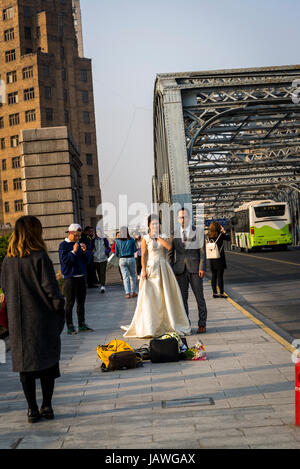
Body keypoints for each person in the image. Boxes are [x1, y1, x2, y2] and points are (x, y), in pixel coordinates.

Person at [0, 216, 65, 423]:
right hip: (42, 319)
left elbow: (5, 288)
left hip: (18, 322)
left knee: (25, 367)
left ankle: (32, 409)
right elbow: (51, 290)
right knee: (48, 364)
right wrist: (59, 308)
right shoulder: (40, 257)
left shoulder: (7, 261)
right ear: (34, 232)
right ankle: (47, 406)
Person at [123, 215, 191, 338]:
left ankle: (168, 323)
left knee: (165, 296)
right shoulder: (145, 238)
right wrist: (143, 270)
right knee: (151, 298)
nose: (155, 226)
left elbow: (169, 247)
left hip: (163, 268)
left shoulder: (163, 236)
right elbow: (143, 255)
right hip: (151, 268)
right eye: (152, 224)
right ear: (148, 225)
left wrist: (157, 237)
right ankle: (151, 326)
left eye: (157, 223)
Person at [169, 208, 208, 334]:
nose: (182, 219)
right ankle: (186, 324)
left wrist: (202, 267)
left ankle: (202, 324)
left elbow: (202, 251)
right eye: (180, 217)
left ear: (189, 218)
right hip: (180, 270)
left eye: (185, 217)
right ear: (177, 219)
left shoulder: (198, 231)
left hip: (195, 269)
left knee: (199, 298)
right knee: (182, 299)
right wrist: (171, 270)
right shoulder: (174, 233)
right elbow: (170, 253)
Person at [59, 223, 94, 335]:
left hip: (81, 277)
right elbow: (65, 262)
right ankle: (70, 326)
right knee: (69, 303)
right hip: (70, 278)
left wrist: (85, 252)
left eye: (79, 236)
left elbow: (88, 261)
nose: (78, 238)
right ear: (70, 233)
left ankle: (82, 324)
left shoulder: (79, 243)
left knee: (81, 303)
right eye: (76, 236)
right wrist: (73, 252)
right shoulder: (63, 245)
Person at [207, 221, 231, 298]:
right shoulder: (221, 235)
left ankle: (214, 292)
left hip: (212, 258)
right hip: (219, 258)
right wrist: (224, 231)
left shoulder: (208, 236)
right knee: (220, 276)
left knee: (213, 276)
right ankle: (221, 292)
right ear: (218, 227)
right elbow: (229, 238)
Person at [115, 227, 138, 299]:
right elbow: (134, 250)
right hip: (131, 258)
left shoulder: (117, 241)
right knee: (133, 276)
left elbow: (116, 252)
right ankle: (134, 292)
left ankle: (127, 293)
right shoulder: (131, 240)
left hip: (122, 259)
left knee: (125, 277)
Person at [93, 226, 111, 293]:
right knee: (98, 273)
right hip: (96, 259)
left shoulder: (104, 239)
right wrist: (93, 254)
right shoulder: (93, 240)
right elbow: (90, 248)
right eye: (97, 232)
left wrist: (106, 252)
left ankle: (103, 286)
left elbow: (109, 248)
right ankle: (101, 284)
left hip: (103, 259)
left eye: (100, 231)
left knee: (102, 273)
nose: (99, 233)